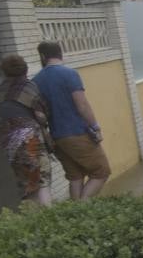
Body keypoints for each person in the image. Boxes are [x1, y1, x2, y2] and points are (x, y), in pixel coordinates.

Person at [33, 41, 111, 200]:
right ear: (60, 53)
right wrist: (95, 127)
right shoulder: (70, 74)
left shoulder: (36, 81)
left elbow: (39, 114)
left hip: (57, 137)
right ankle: (83, 208)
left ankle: (75, 213)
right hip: (77, 134)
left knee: (75, 177)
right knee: (101, 172)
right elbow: (82, 105)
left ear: (42, 56)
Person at [0, 54, 54, 206]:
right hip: (30, 139)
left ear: (5, 72)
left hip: (10, 142)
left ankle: (30, 221)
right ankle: (50, 216)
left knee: (26, 182)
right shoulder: (29, 87)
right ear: (25, 69)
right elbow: (41, 116)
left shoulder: (1, 90)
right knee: (42, 180)